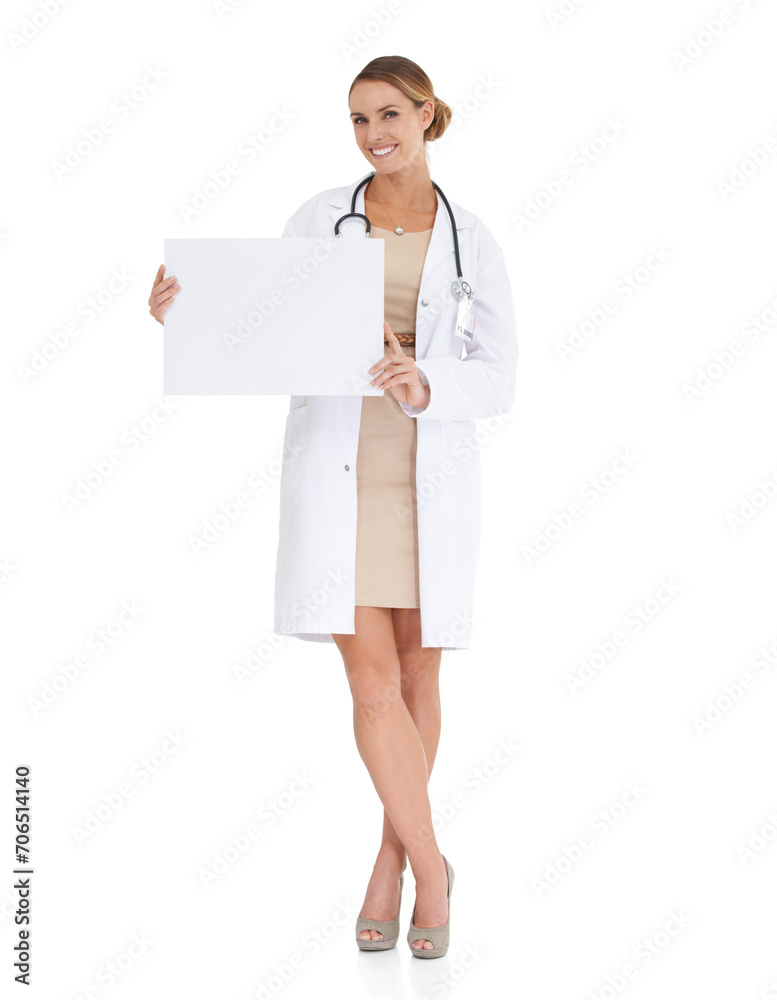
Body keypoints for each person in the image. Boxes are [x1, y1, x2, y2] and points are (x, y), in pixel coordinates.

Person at [148, 55, 518, 958]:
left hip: (427, 472)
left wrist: (427, 381)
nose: (371, 134)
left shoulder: (472, 240)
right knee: (370, 683)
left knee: (420, 677)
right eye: (357, 119)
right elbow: (262, 329)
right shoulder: (321, 219)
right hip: (339, 471)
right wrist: (184, 319)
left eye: (388, 114)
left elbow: (500, 376)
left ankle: (389, 865)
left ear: (426, 114)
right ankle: (432, 870)